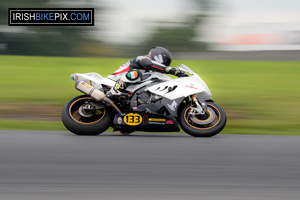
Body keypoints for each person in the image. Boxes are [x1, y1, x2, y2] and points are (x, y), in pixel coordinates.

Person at [106, 46, 186, 98]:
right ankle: (115, 90)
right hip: (113, 80)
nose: (165, 64)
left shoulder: (151, 72)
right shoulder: (143, 58)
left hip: (129, 88)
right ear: (158, 57)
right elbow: (148, 64)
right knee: (136, 74)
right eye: (165, 61)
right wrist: (170, 70)